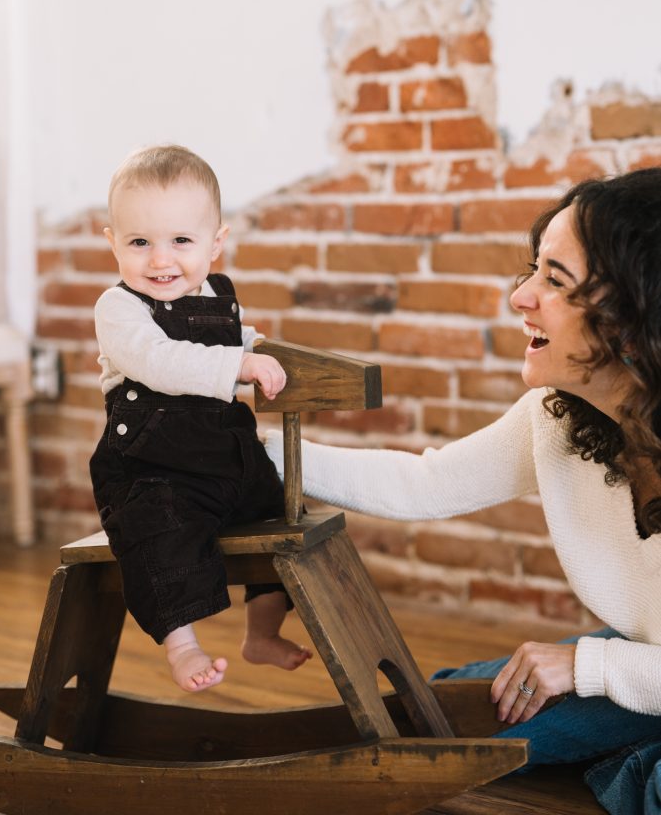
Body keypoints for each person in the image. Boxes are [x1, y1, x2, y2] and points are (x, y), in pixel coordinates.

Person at [265, 168, 661, 815]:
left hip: (630, 667)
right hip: (642, 661)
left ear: (634, 310)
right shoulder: (559, 417)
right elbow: (426, 481)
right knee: (447, 713)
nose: (520, 297)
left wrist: (587, 669)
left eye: (554, 281)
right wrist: (254, 456)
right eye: (530, 270)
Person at [89, 144, 312, 693]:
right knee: (165, 534)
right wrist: (240, 363)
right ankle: (182, 647)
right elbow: (160, 362)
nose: (161, 261)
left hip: (223, 457)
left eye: (181, 241)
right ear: (112, 242)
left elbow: (239, 341)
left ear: (216, 243)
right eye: (139, 242)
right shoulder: (119, 309)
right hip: (153, 466)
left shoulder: (217, 294)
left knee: (280, 512)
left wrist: (258, 353)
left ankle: (261, 634)